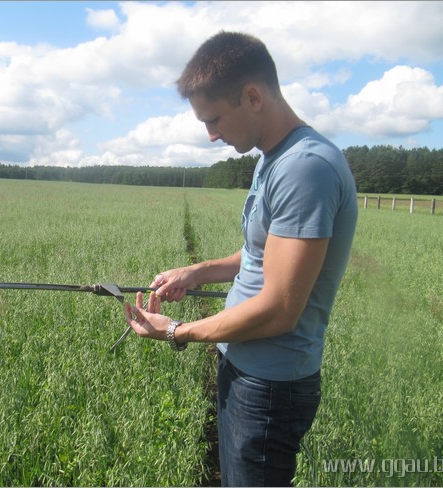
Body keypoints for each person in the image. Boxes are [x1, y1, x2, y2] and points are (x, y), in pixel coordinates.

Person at [124, 31, 358, 487]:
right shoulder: (273, 158)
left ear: (252, 97)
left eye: (213, 119)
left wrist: (176, 331)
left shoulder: (306, 167)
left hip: (270, 387)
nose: (211, 135)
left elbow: (279, 309)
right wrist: (199, 271)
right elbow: (260, 254)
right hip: (244, 367)